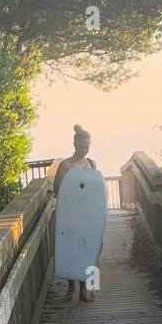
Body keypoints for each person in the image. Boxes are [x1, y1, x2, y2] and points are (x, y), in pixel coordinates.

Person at [52, 124, 98, 302]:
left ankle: (84, 290)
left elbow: (96, 190)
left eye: (87, 146)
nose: (84, 150)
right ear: (74, 145)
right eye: (81, 146)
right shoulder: (65, 165)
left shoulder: (92, 164)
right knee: (70, 251)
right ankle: (71, 288)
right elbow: (57, 189)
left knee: (87, 250)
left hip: (88, 216)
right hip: (70, 216)